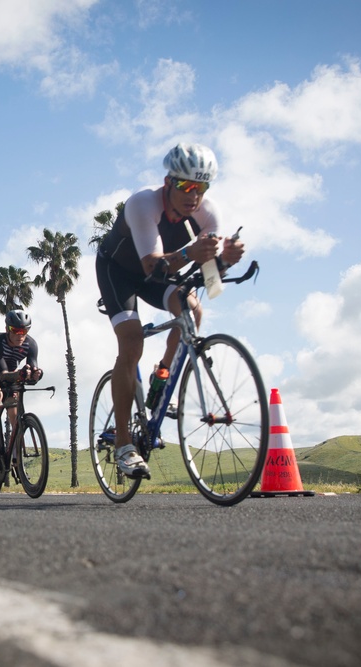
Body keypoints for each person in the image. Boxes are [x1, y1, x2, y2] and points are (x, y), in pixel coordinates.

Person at [94, 143, 245, 478]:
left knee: (193, 312)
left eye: (201, 187)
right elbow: (151, 264)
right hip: (118, 271)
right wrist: (192, 252)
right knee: (132, 343)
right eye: (186, 186)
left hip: (159, 272)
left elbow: (208, 279)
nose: (194, 195)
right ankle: (123, 445)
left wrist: (223, 261)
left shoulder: (209, 215)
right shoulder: (142, 203)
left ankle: (162, 377)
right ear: (168, 182)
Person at [0, 309, 44, 464]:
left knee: (14, 414)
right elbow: (2, 373)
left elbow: (33, 366)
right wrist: (19, 374)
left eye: (24, 331)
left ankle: (14, 456)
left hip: (11, 376)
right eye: (16, 330)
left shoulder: (31, 344)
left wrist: (36, 374)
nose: (20, 335)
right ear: (7, 329)